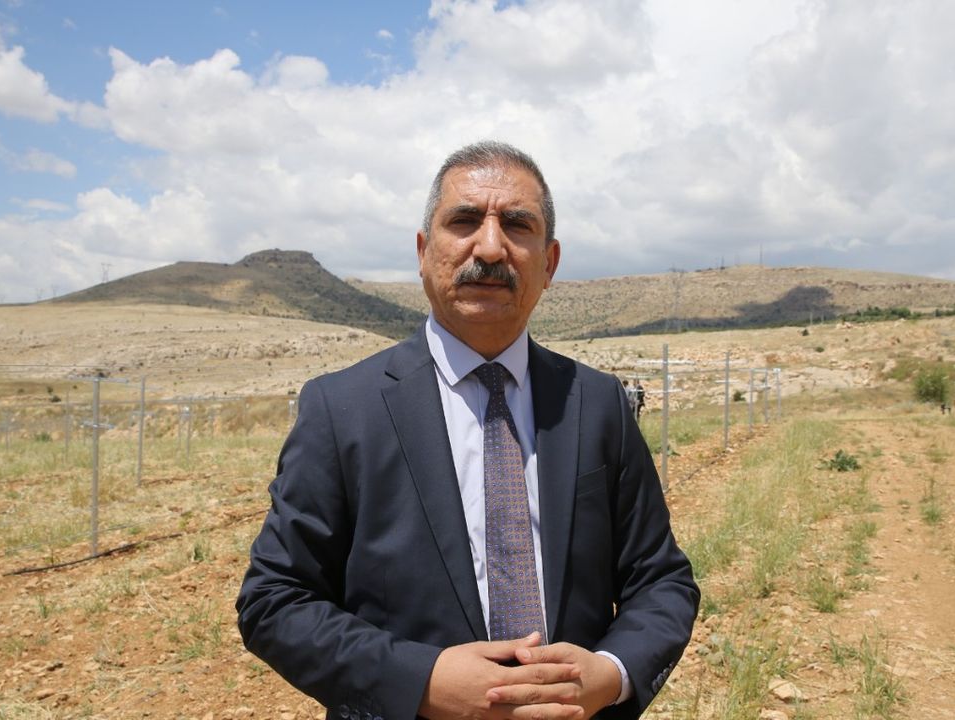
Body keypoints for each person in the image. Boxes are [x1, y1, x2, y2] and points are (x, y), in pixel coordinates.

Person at [237, 141, 698, 720]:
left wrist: (609, 675)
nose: (490, 247)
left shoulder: (596, 402)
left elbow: (661, 580)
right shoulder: (342, 408)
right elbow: (275, 601)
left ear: (550, 263)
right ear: (424, 251)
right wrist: (421, 681)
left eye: (518, 225)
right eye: (464, 221)